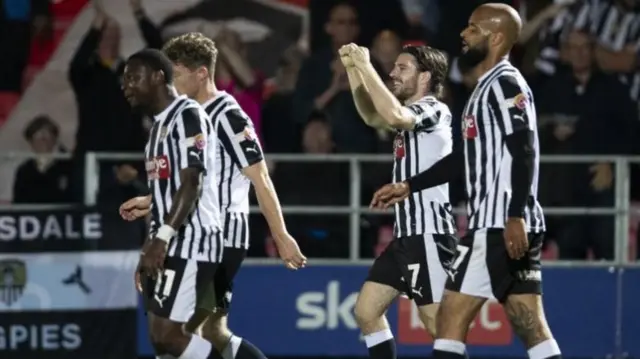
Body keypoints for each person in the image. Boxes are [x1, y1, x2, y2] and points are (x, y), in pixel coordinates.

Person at [370, 4, 561, 359]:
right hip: (494, 224)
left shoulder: (505, 83)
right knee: (526, 325)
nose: (463, 33)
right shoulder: (484, 87)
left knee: (454, 321)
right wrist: (411, 185)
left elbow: (525, 149)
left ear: (497, 37)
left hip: (500, 224)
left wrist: (516, 214)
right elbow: (461, 160)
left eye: (473, 29)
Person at [121, 33, 307, 359]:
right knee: (210, 331)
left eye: (177, 74)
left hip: (223, 241)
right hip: (202, 237)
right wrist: (153, 200)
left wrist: (281, 235)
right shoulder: (184, 118)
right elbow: (203, 179)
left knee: (177, 334)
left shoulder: (227, 115)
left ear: (202, 73)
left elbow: (260, 178)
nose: (172, 83)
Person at [338, 43, 457, 359]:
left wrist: (366, 66)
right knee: (366, 311)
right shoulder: (409, 116)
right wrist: (353, 70)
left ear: (425, 78)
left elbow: (392, 114)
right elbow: (372, 116)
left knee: (440, 329)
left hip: (428, 234)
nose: (392, 73)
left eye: (402, 68)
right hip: (406, 236)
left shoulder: (434, 109)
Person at [120, 48, 224, 359]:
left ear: (158, 77)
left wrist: (159, 241)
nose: (127, 86)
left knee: (167, 335)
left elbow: (191, 182)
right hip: (168, 241)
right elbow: (171, 189)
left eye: (133, 78)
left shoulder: (188, 114)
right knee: (162, 343)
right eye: (124, 81)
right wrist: (150, 237)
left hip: (194, 240)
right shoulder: (155, 131)